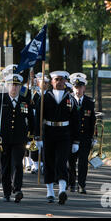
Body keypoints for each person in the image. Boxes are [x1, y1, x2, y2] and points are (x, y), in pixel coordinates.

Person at [34, 71, 79, 205]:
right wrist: (38, 137)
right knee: (49, 161)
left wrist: (76, 140)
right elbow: (38, 118)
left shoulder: (70, 98)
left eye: (62, 80)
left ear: (66, 82)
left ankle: (62, 190)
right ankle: (50, 191)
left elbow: (76, 120)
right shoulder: (44, 97)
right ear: (51, 82)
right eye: (56, 79)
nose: (59, 82)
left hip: (64, 134)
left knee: (61, 161)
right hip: (48, 133)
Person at [0, 74, 35, 203]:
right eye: (11, 85)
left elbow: (31, 119)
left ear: (20, 87)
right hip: (4, 139)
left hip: (19, 138)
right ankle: (6, 192)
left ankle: (18, 189)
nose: (14, 88)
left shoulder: (24, 101)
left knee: (17, 164)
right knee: (5, 166)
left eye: (16, 85)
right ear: (7, 86)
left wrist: (32, 135)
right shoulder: (2, 99)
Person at [68, 73, 96, 194]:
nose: (78, 89)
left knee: (83, 162)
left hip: (84, 137)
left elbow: (92, 120)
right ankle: (71, 183)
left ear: (84, 88)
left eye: (80, 87)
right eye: (76, 87)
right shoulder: (68, 100)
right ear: (72, 87)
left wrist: (93, 136)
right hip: (71, 136)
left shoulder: (89, 102)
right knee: (71, 162)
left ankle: (82, 184)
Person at [29, 72, 50, 175]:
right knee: (35, 144)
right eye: (43, 82)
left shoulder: (50, 95)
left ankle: (43, 164)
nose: (45, 84)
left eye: (47, 83)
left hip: (46, 123)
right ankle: (35, 164)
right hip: (34, 122)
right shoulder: (34, 95)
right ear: (38, 83)